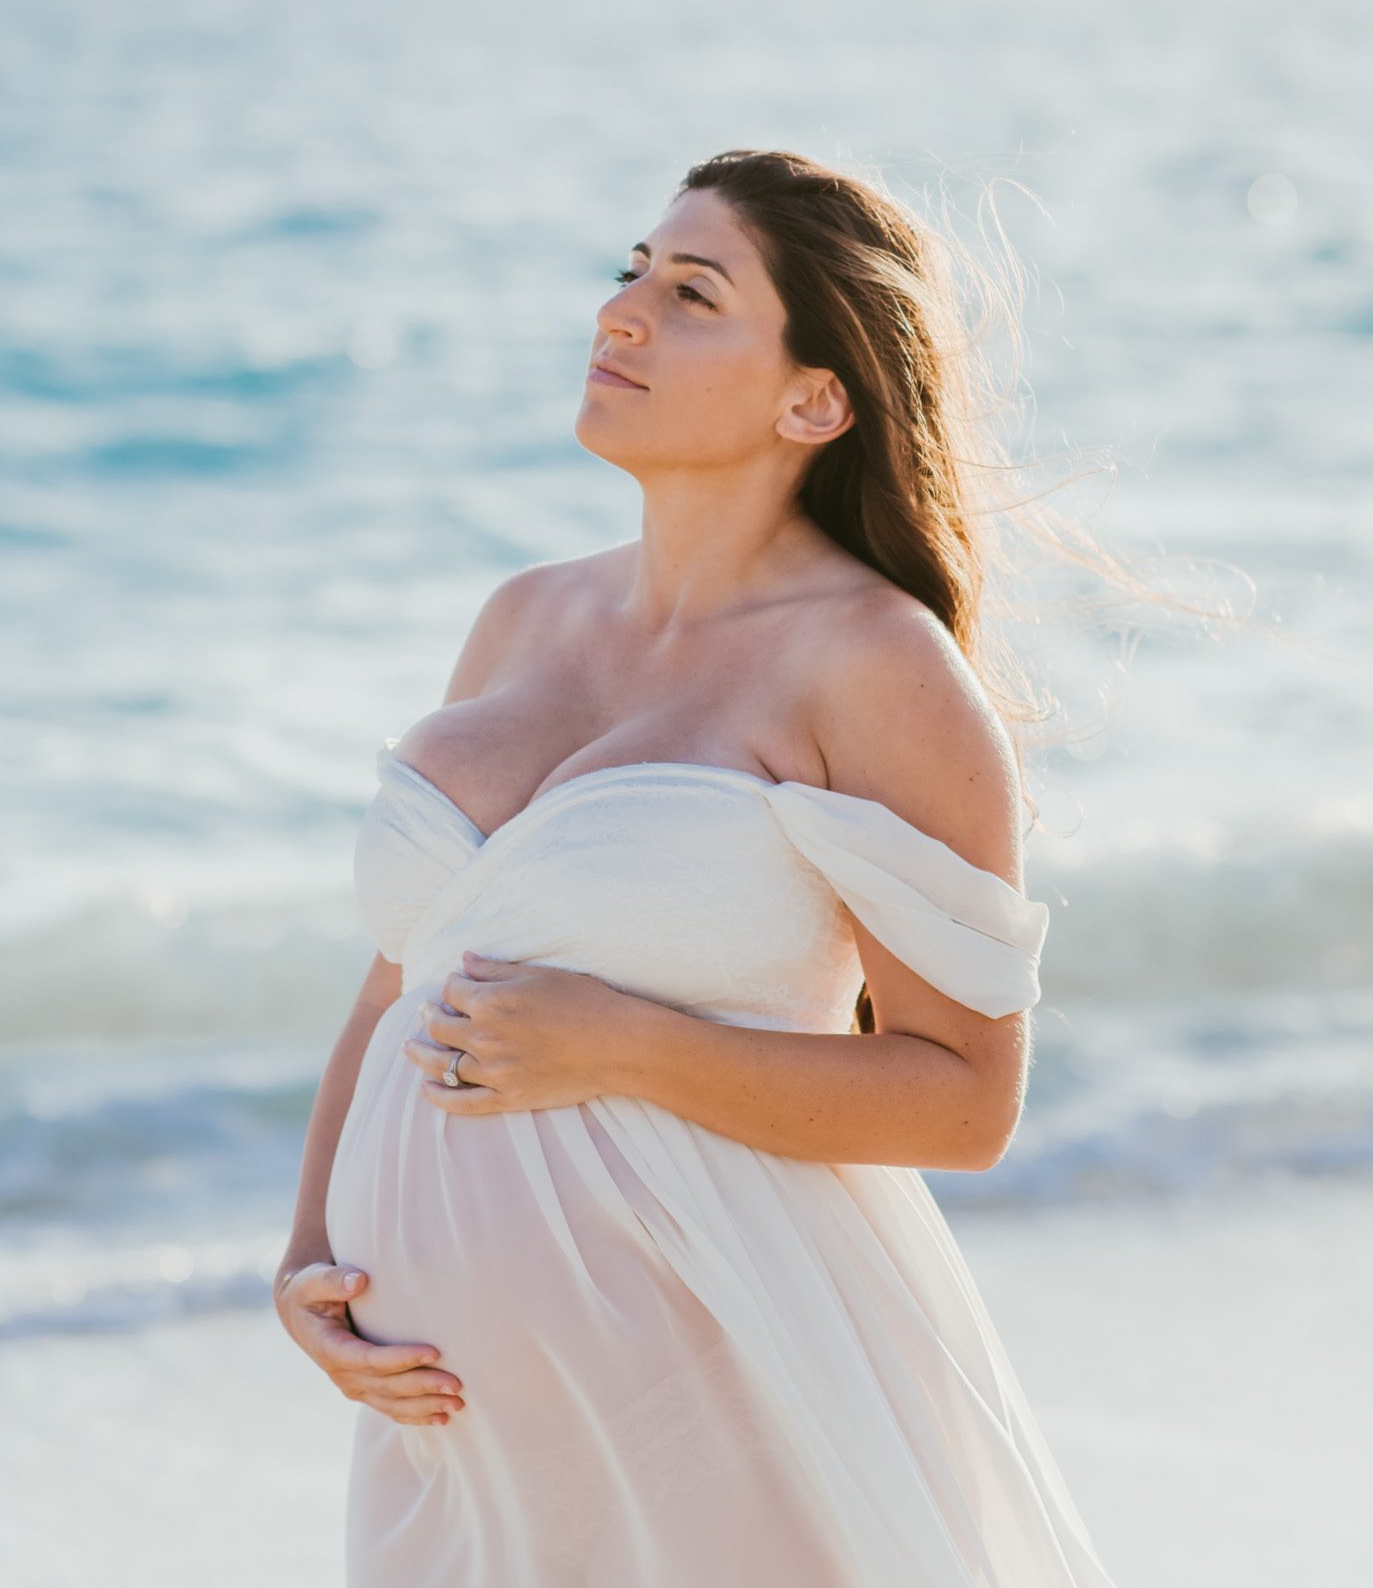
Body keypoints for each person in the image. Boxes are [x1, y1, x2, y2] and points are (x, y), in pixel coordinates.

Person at [274, 147, 1121, 1585]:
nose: (620, 316)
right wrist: (308, 1258)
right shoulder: (521, 616)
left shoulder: (873, 667)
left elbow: (965, 1098)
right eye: (628, 274)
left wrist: (628, 1044)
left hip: (719, 1381)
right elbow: (394, 983)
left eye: (690, 293)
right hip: (458, 1430)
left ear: (814, 400)